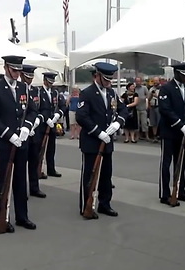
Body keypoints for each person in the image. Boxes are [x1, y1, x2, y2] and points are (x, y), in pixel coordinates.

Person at [0, 55, 38, 232]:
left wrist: (26, 127)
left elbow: (32, 110)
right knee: (5, 180)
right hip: (5, 142)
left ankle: (22, 217)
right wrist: (9, 134)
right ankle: (3, 217)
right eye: (14, 70)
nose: (17, 74)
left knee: (20, 180)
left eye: (19, 70)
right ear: (6, 68)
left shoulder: (24, 88)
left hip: (22, 141)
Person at [76, 62, 127, 219]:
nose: (108, 82)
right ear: (97, 76)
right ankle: (87, 205)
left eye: (110, 80)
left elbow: (123, 109)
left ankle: (105, 204)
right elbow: (81, 116)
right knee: (90, 175)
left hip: (107, 142)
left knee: (106, 175)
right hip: (92, 141)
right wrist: (98, 132)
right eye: (105, 79)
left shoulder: (111, 93)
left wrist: (118, 122)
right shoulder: (87, 93)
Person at [158, 63, 185, 206]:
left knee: (181, 162)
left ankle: (180, 191)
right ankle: (165, 194)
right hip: (169, 131)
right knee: (166, 163)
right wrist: (180, 125)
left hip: (182, 132)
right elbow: (165, 110)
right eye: (184, 75)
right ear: (176, 73)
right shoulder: (166, 88)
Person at [21, 64, 46, 198]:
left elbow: (43, 109)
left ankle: (34, 187)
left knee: (34, 161)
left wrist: (38, 120)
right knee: (20, 163)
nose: (29, 79)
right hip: (22, 133)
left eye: (31, 77)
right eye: (27, 77)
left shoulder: (37, 91)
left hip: (35, 131)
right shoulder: (19, 90)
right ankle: (21, 190)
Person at [36, 72, 66, 178]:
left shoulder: (55, 93)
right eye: (49, 82)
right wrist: (44, 118)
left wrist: (57, 115)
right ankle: (38, 169)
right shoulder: (39, 92)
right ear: (44, 81)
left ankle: (51, 169)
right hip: (42, 126)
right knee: (40, 149)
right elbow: (36, 109)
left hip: (52, 124)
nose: (51, 84)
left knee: (51, 149)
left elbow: (62, 106)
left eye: (52, 82)